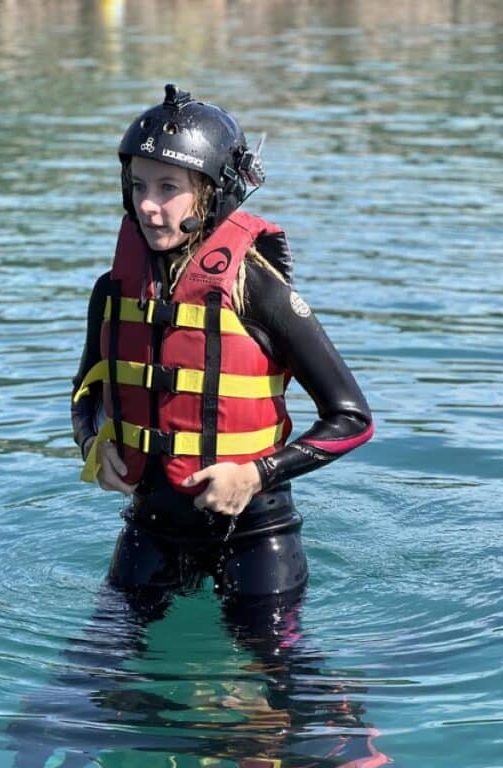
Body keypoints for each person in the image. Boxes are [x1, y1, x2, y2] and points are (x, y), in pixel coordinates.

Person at [71, 83, 373, 626]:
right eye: (138, 185)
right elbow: (87, 393)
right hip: (151, 531)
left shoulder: (257, 288)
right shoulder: (113, 291)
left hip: (257, 537)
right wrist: (95, 443)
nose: (147, 204)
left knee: (279, 699)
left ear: (211, 194)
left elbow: (351, 419)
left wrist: (256, 475)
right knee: (95, 690)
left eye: (168, 188)